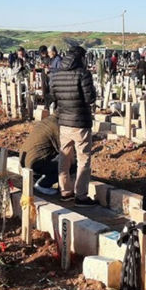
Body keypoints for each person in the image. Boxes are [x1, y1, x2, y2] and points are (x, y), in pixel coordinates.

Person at [49, 46, 97, 207]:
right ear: (81, 58)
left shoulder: (56, 74)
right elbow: (90, 98)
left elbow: (53, 96)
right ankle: (81, 196)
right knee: (83, 159)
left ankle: (65, 191)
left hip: (64, 121)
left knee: (64, 157)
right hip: (80, 122)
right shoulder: (83, 74)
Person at [20, 114, 75, 196]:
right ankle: (43, 184)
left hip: (26, 163)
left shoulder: (47, 121)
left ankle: (41, 178)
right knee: (71, 162)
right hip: (34, 165)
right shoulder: (56, 126)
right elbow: (64, 150)